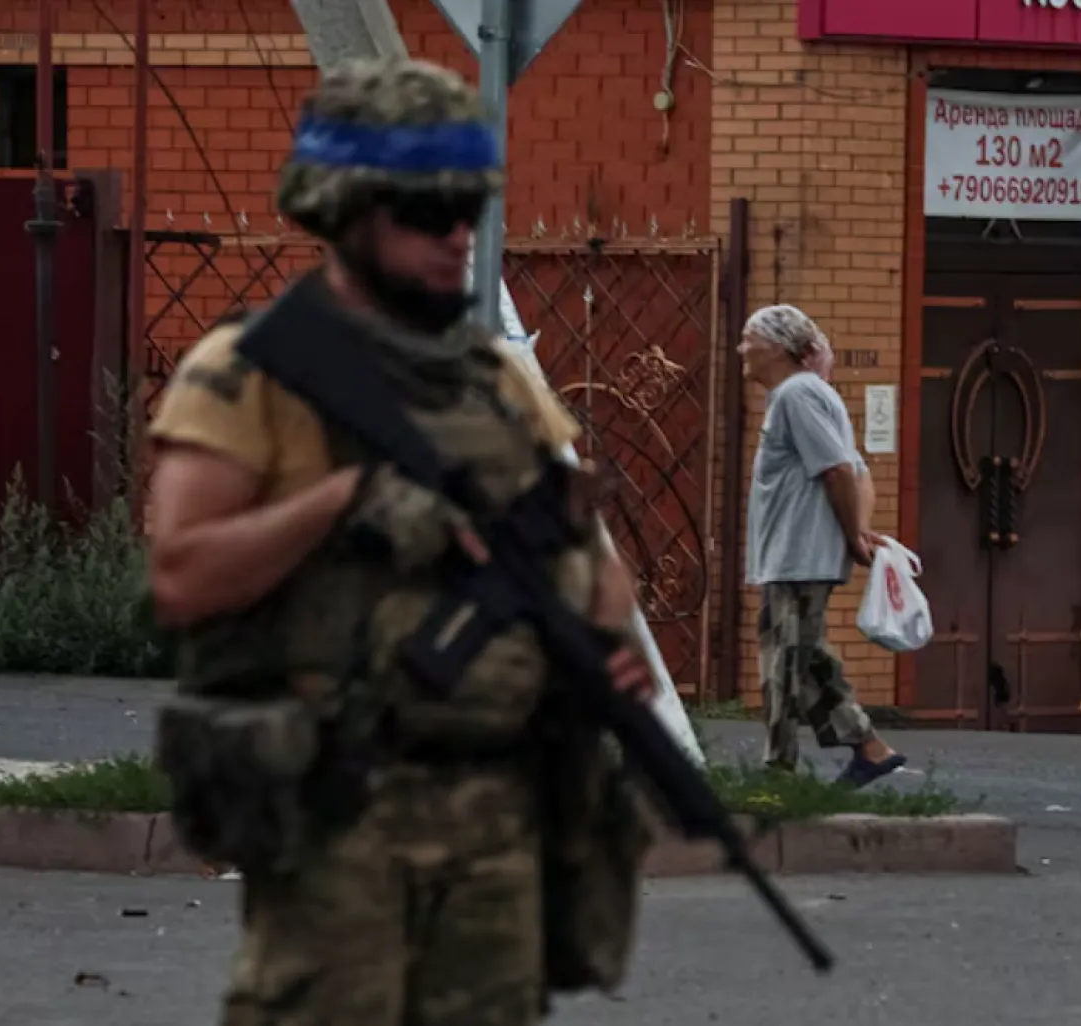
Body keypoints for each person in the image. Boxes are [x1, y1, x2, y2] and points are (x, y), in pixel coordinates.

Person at [144, 57, 655, 1026]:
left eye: (468, 205)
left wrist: (588, 635)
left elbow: (603, 579)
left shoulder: (497, 385)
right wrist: (347, 500)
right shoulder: (249, 373)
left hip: (495, 820)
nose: (460, 233)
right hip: (341, 815)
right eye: (429, 211)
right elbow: (182, 577)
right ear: (347, 210)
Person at [739, 304, 908, 787]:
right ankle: (869, 748)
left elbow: (838, 470)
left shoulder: (797, 394)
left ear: (777, 346)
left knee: (783, 661)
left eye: (749, 339)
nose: (742, 350)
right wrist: (857, 528)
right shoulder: (808, 393)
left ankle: (779, 770)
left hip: (798, 554)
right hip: (794, 555)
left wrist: (855, 534)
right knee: (804, 654)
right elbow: (856, 470)